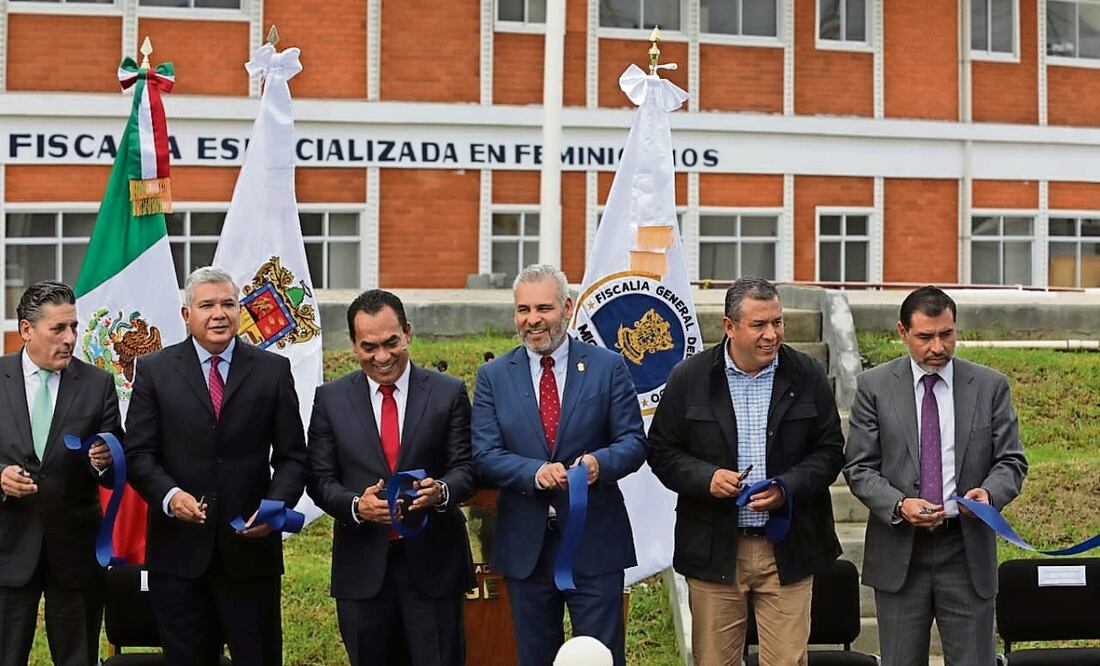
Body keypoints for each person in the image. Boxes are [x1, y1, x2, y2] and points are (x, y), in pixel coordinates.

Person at [647, 276, 845, 666]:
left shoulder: (806, 375)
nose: (771, 334)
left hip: (788, 546)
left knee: (787, 661)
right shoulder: (689, 378)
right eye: (759, 325)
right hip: (714, 548)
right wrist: (706, 479)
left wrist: (787, 487)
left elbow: (830, 451)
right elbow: (661, 451)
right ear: (729, 326)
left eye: (777, 322)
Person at [124, 266, 307, 666]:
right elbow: (138, 455)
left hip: (250, 552)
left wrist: (274, 508)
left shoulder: (272, 371)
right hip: (179, 556)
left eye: (228, 303)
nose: (219, 313)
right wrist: (171, 497)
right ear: (187, 315)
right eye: (207, 305)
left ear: (240, 310)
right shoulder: (154, 371)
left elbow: (293, 457)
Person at [471, 264, 646, 666]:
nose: (533, 320)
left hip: (595, 545)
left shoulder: (607, 366)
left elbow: (634, 442)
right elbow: (483, 454)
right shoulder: (494, 376)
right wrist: (533, 472)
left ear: (566, 307)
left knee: (600, 657)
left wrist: (598, 464)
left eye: (544, 308)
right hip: (525, 549)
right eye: (523, 309)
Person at [844, 285, 1027, 666]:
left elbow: (1011, 461)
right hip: (899, 552)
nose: (938, 347)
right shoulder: (875, 388)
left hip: (965, 549)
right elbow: (859, 467)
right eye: (926, 337)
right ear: (902, 332)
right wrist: (897, 503)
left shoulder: (989, 386)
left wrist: (989, 496)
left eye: (947, 334)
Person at [307, 289, 475, 666]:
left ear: (408, 333)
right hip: (363, 571)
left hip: (433, 567)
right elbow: (318, 479)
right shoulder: (330, 400)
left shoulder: (448, 394)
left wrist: (441, 491)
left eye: (391, 342)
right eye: (369, 347)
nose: (382, 357)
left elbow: (466, 469)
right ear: (353, 344)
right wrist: (356, 506)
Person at [0, 280, 122, 666]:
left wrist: (103, 461)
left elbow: (115, 463)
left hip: (75, 551)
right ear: (26, 330)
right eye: (58, 329)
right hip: (7, 548)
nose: (70, 338)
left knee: (77, 657)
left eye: (74, 327)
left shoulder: (98, 383)